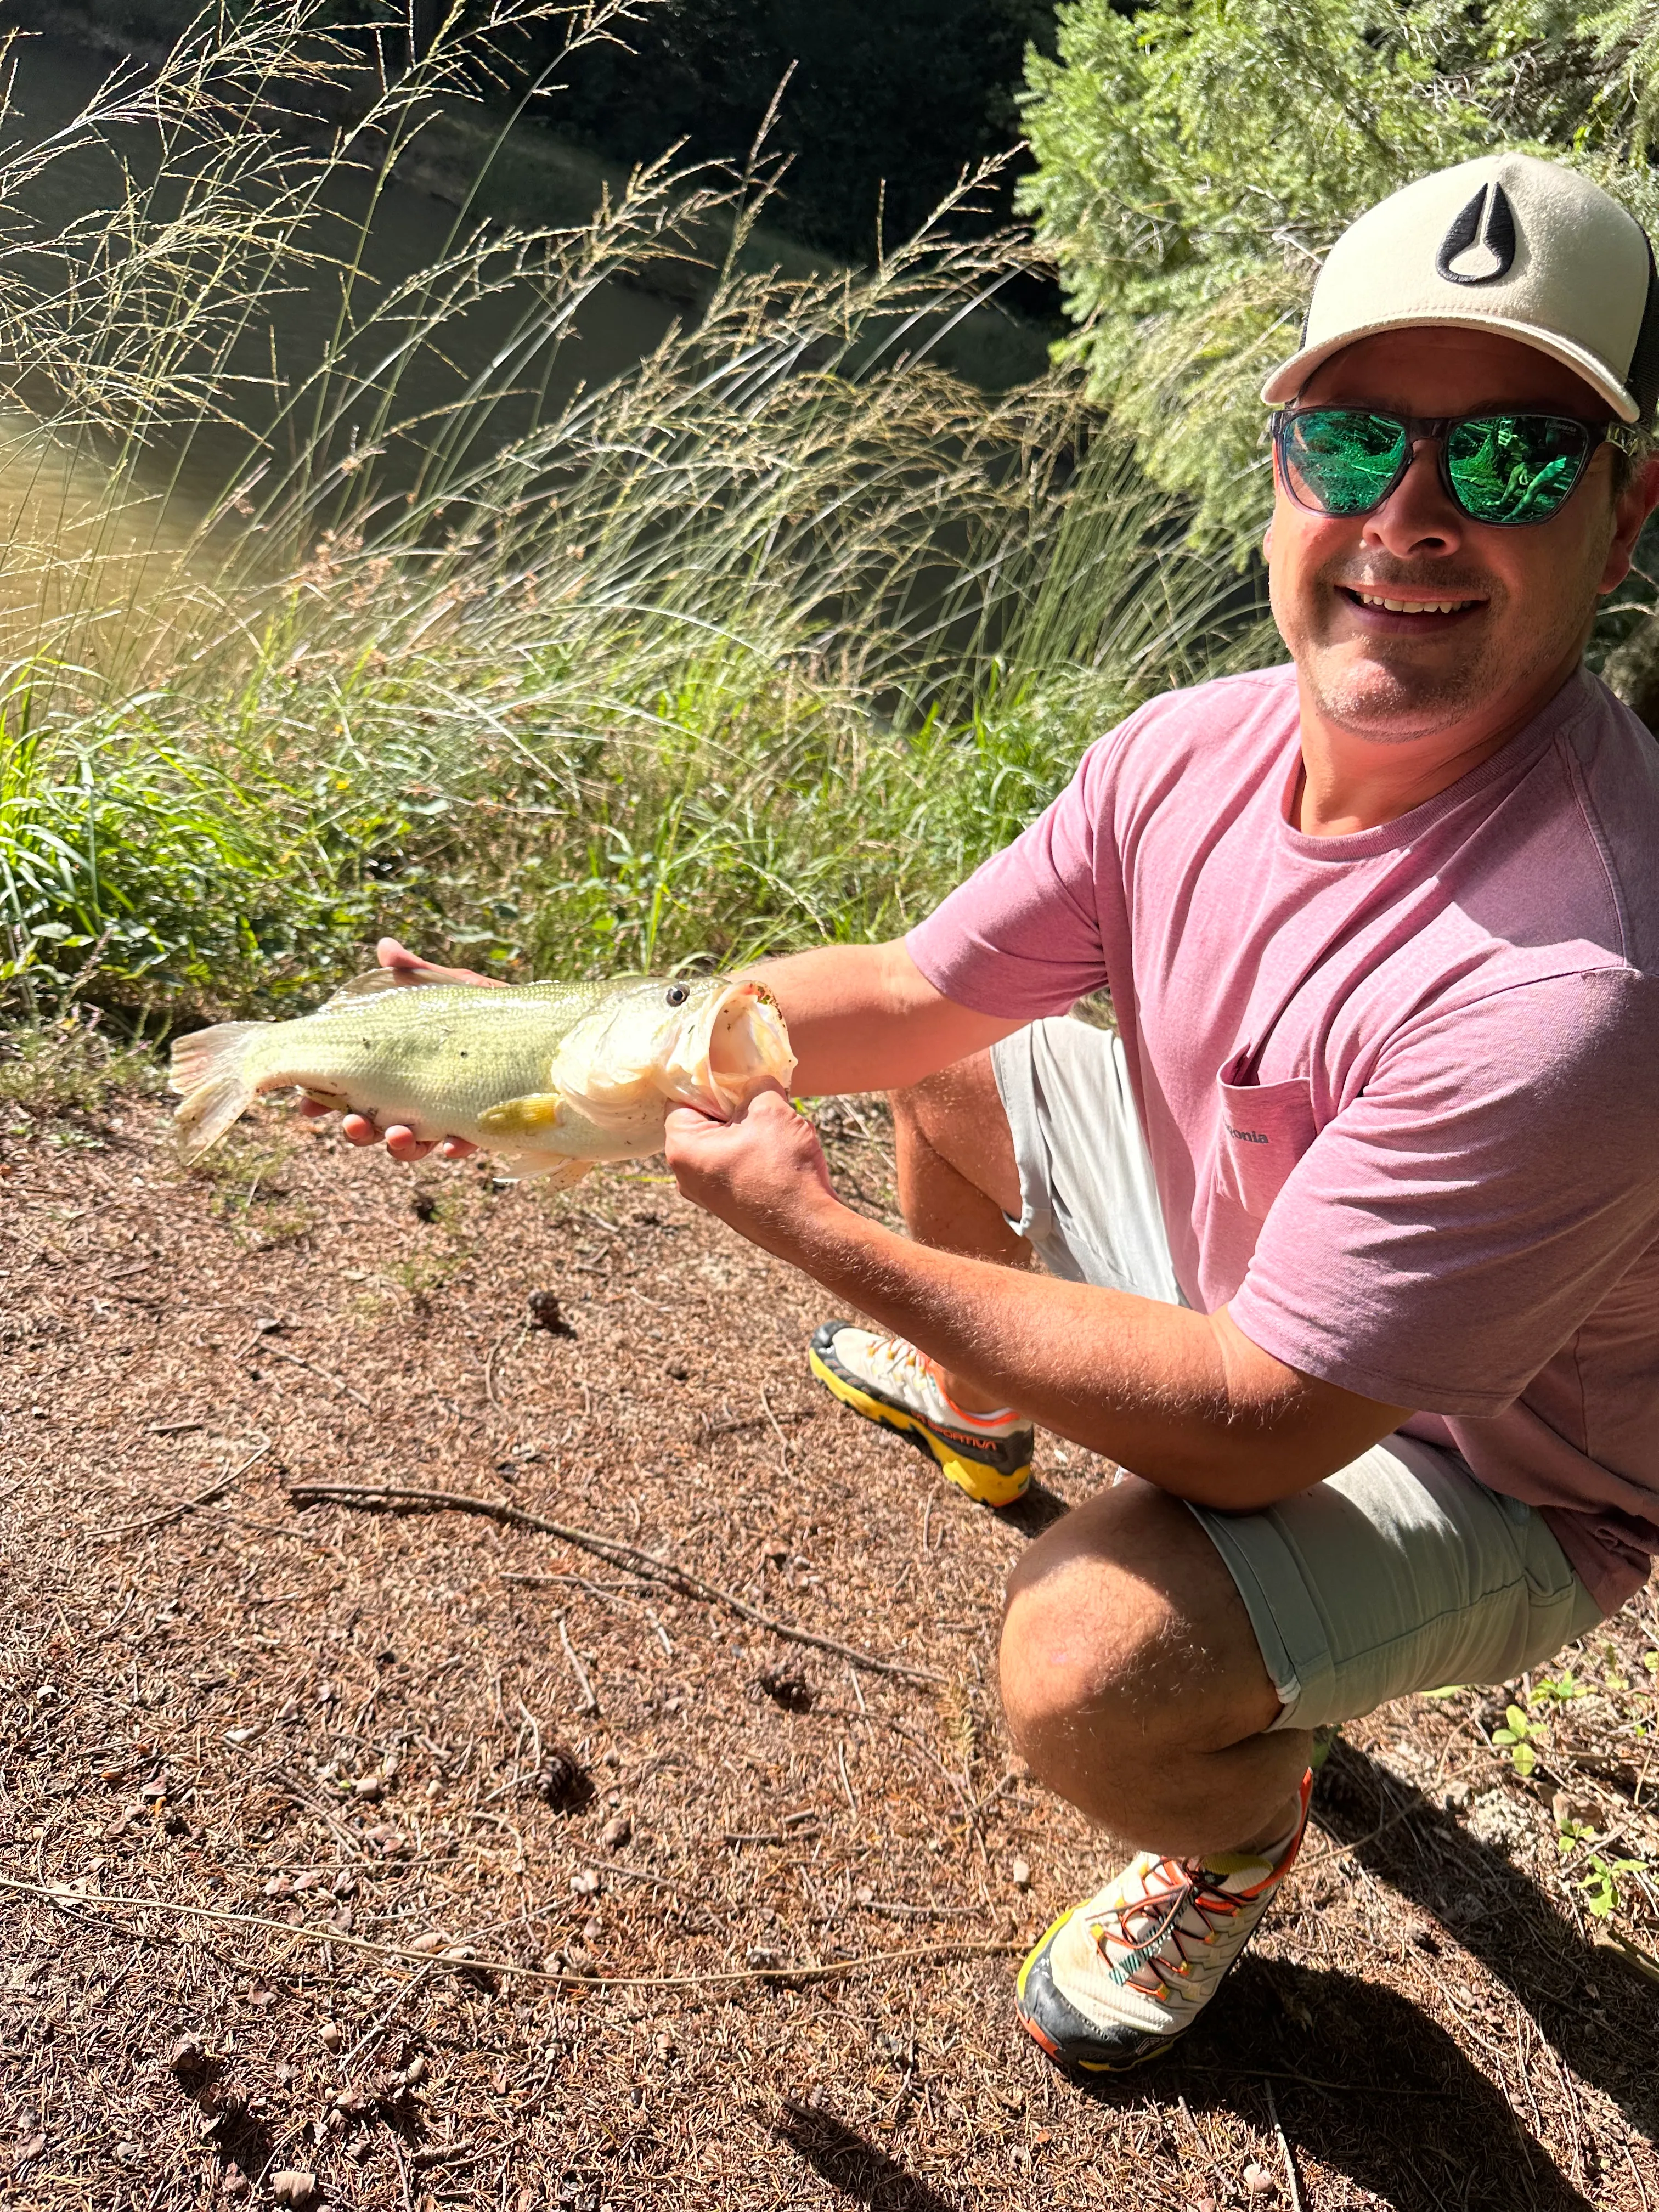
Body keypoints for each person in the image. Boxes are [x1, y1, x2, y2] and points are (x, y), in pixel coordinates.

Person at [319, 153, 1659, 2075]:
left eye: (1516, 458)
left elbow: (1270, 1420)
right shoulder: (1188, 750)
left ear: (1626, 517)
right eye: (1357, 443)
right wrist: (579, 1044)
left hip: (1490, 1460)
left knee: (1088, 1669)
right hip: (1270, 1265)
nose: (1414, 515)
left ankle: (1233, 1838)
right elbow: (925, 1000)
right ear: (1285, 468)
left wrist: (831, 1237)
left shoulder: (1579, 987)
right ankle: (981, 1405)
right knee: (967, 1057)